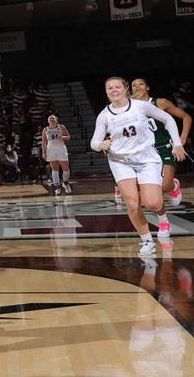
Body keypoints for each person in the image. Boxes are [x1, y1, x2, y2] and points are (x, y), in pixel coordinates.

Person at [90, 77, 185, 256]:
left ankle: (171, 187)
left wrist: (177, 144)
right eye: (110, 88)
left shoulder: (140, 106)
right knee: (133, 204)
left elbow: (168, 119)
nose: (114, 90)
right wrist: (100, 145)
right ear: (106, 92)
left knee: (152, 203)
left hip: (146, 158)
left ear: (125, 89)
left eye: (117, 86)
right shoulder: (104, 115)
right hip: (120, 161)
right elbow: (94, 142)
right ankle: (147, 241)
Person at [131, 78, 191, 215]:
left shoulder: (160, 103)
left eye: (140, 84)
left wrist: (182, 138)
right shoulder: (130, 107)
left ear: (147, 87)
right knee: (152, 190)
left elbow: (186, 117)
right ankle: (163, 220)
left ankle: (173, 186)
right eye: (134, 85)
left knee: (165, 186)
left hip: (165, 147)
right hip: (146, 151)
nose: (137, 86)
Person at [42, 115, 71, 195]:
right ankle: (57, 187)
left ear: (56, 120)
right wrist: (44, 152)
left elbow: (68, 137)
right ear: (48, 121)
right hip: (51, 149)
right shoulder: (45, 129)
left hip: (61, 148)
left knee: (66, 168)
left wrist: (63, 137)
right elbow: (44, 142)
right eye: (50, 119)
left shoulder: (61, 127)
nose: (52, 119)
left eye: (53, 118)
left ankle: (65, 183)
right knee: (54, 169)